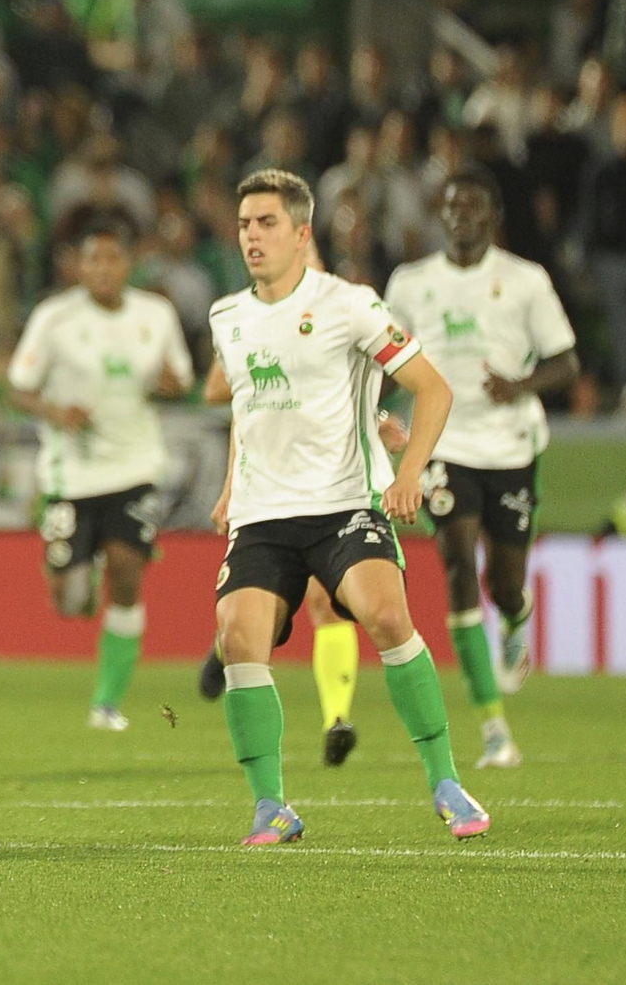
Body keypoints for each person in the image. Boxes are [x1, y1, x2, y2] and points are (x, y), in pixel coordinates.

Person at [207, 169, 488, 845]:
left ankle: (446, 779)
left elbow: (433, 388)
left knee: (388, 615)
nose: (252, 235)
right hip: (263, 512)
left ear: (302, 234)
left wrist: (410, 472)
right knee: (236, 639)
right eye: (245, 222)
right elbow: (247, 407)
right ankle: (270, 804)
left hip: (343, 504)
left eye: (267, 222)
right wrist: (229, 486)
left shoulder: (351, 304)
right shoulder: (227, 316)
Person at [385, 169, 580, 769]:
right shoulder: (411, 283)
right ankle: (493, 726)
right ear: (440, 216)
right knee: (458, 569)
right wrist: (381, 418)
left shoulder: (525, 281)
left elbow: (566, 362)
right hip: (443, 444)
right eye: (451, 207)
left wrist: (521, 385)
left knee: (504, 582)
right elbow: (380, 355)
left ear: (492, 217)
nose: (461, 216)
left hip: (512, 446)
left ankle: (517, 617)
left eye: (473, 207)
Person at [6, 219, 193, 730]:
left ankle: (106, 703)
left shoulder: (156, 314)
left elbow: (179, 377)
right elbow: (19, 387)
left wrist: (172, 385)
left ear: (127, 264)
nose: (103, 268)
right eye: (93, 259)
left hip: (136, 465)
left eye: (112, 258)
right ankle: (75, 574)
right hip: (73, 471)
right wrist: (54, 412)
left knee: (128, 572)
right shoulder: (55, 317)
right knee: (70, 601)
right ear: (79, 265)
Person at [197, 243, 368, 770]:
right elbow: (223, 394)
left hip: (329, 490)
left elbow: (360, 390)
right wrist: (229, 486)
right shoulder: (247, 315)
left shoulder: (343, 313)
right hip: (268, 492)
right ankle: (224, 650)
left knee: (326, 603)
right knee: (257, 621)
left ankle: (336, 717)